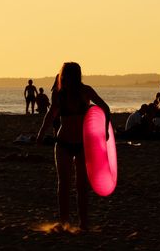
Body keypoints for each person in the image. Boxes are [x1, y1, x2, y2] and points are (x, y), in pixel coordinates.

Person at [36, 62, 110, 231]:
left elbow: (104, 108)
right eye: (65, 74)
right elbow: (50, 115)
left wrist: (105, 131)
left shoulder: (86, 91)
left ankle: (84, 223)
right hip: (63, 143)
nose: (66, 77)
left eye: (69, 74)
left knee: (81, 185)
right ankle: (64, 223)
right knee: (64, 184)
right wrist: (40, 134)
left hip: (83, 144)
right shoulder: (59, 93)